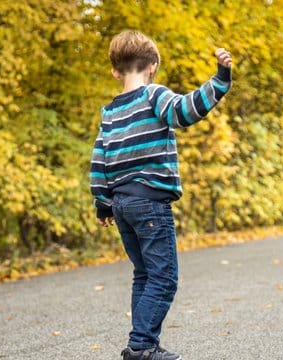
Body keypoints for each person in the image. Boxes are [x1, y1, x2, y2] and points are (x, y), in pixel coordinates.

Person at [89, 30, 232, 360]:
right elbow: (186, 110)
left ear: (115, 71)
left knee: (144, 275)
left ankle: (145, 344)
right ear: (153, 66)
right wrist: (220, 79)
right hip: (149, 204)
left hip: (122, 204)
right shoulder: (154, 96)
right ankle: (140, 346)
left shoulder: (109, 113)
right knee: (164, 278)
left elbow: (99, 160)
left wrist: (102, 202)